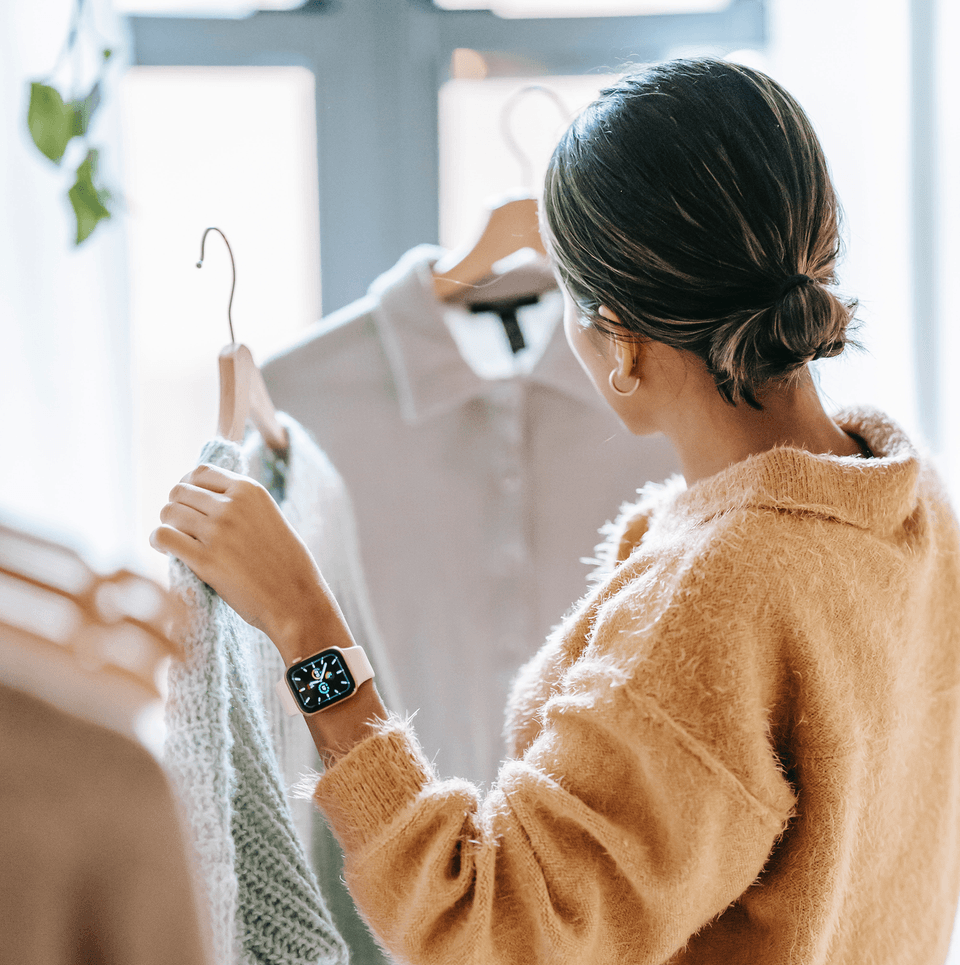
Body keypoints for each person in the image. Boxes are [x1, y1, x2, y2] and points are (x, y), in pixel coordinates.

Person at [151, 58, 960, 965]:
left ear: (617, 340)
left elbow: (492, 931)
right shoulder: (909, 503)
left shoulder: (719, 597)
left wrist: (306, 622)